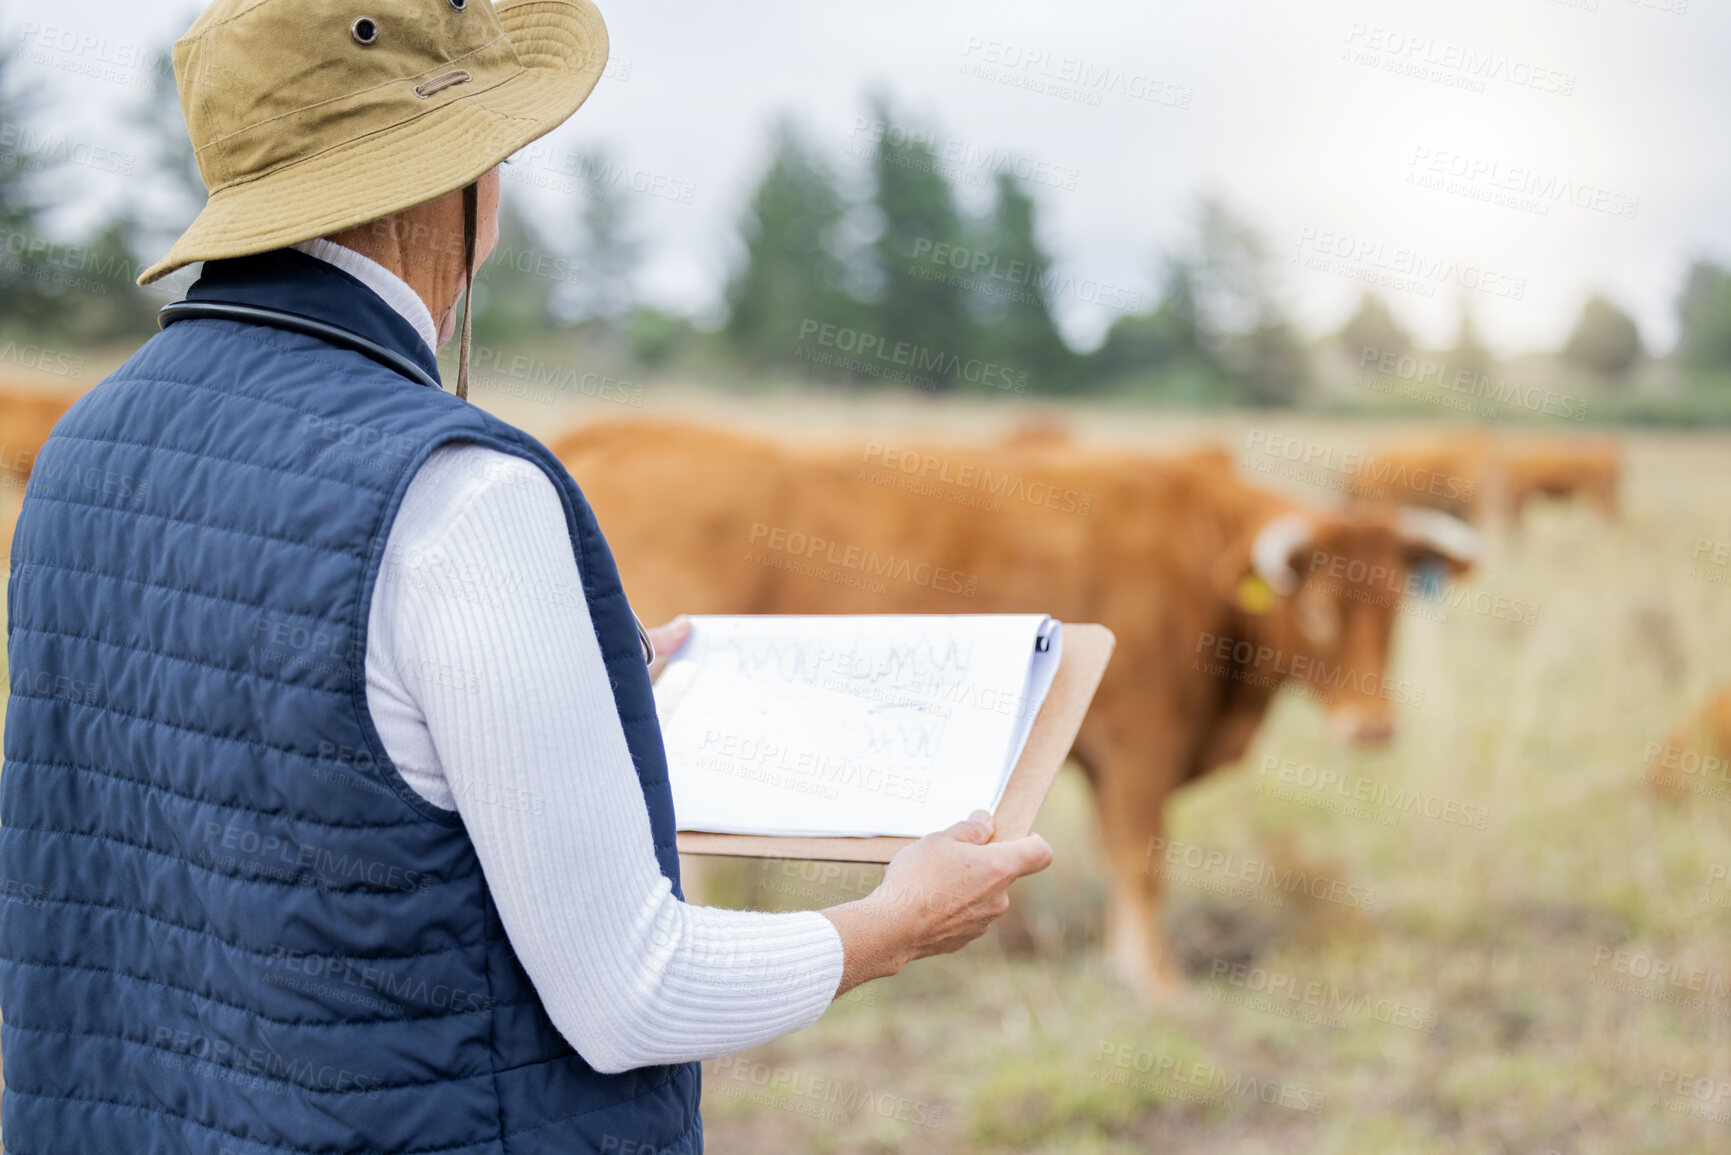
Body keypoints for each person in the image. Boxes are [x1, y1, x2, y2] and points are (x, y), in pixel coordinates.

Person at [0, 0, 1052, 1151]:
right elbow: (636, 992)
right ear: (449, 181)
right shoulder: (461, 497)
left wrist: (546, 679)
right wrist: (891, 922)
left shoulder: (81, 450)